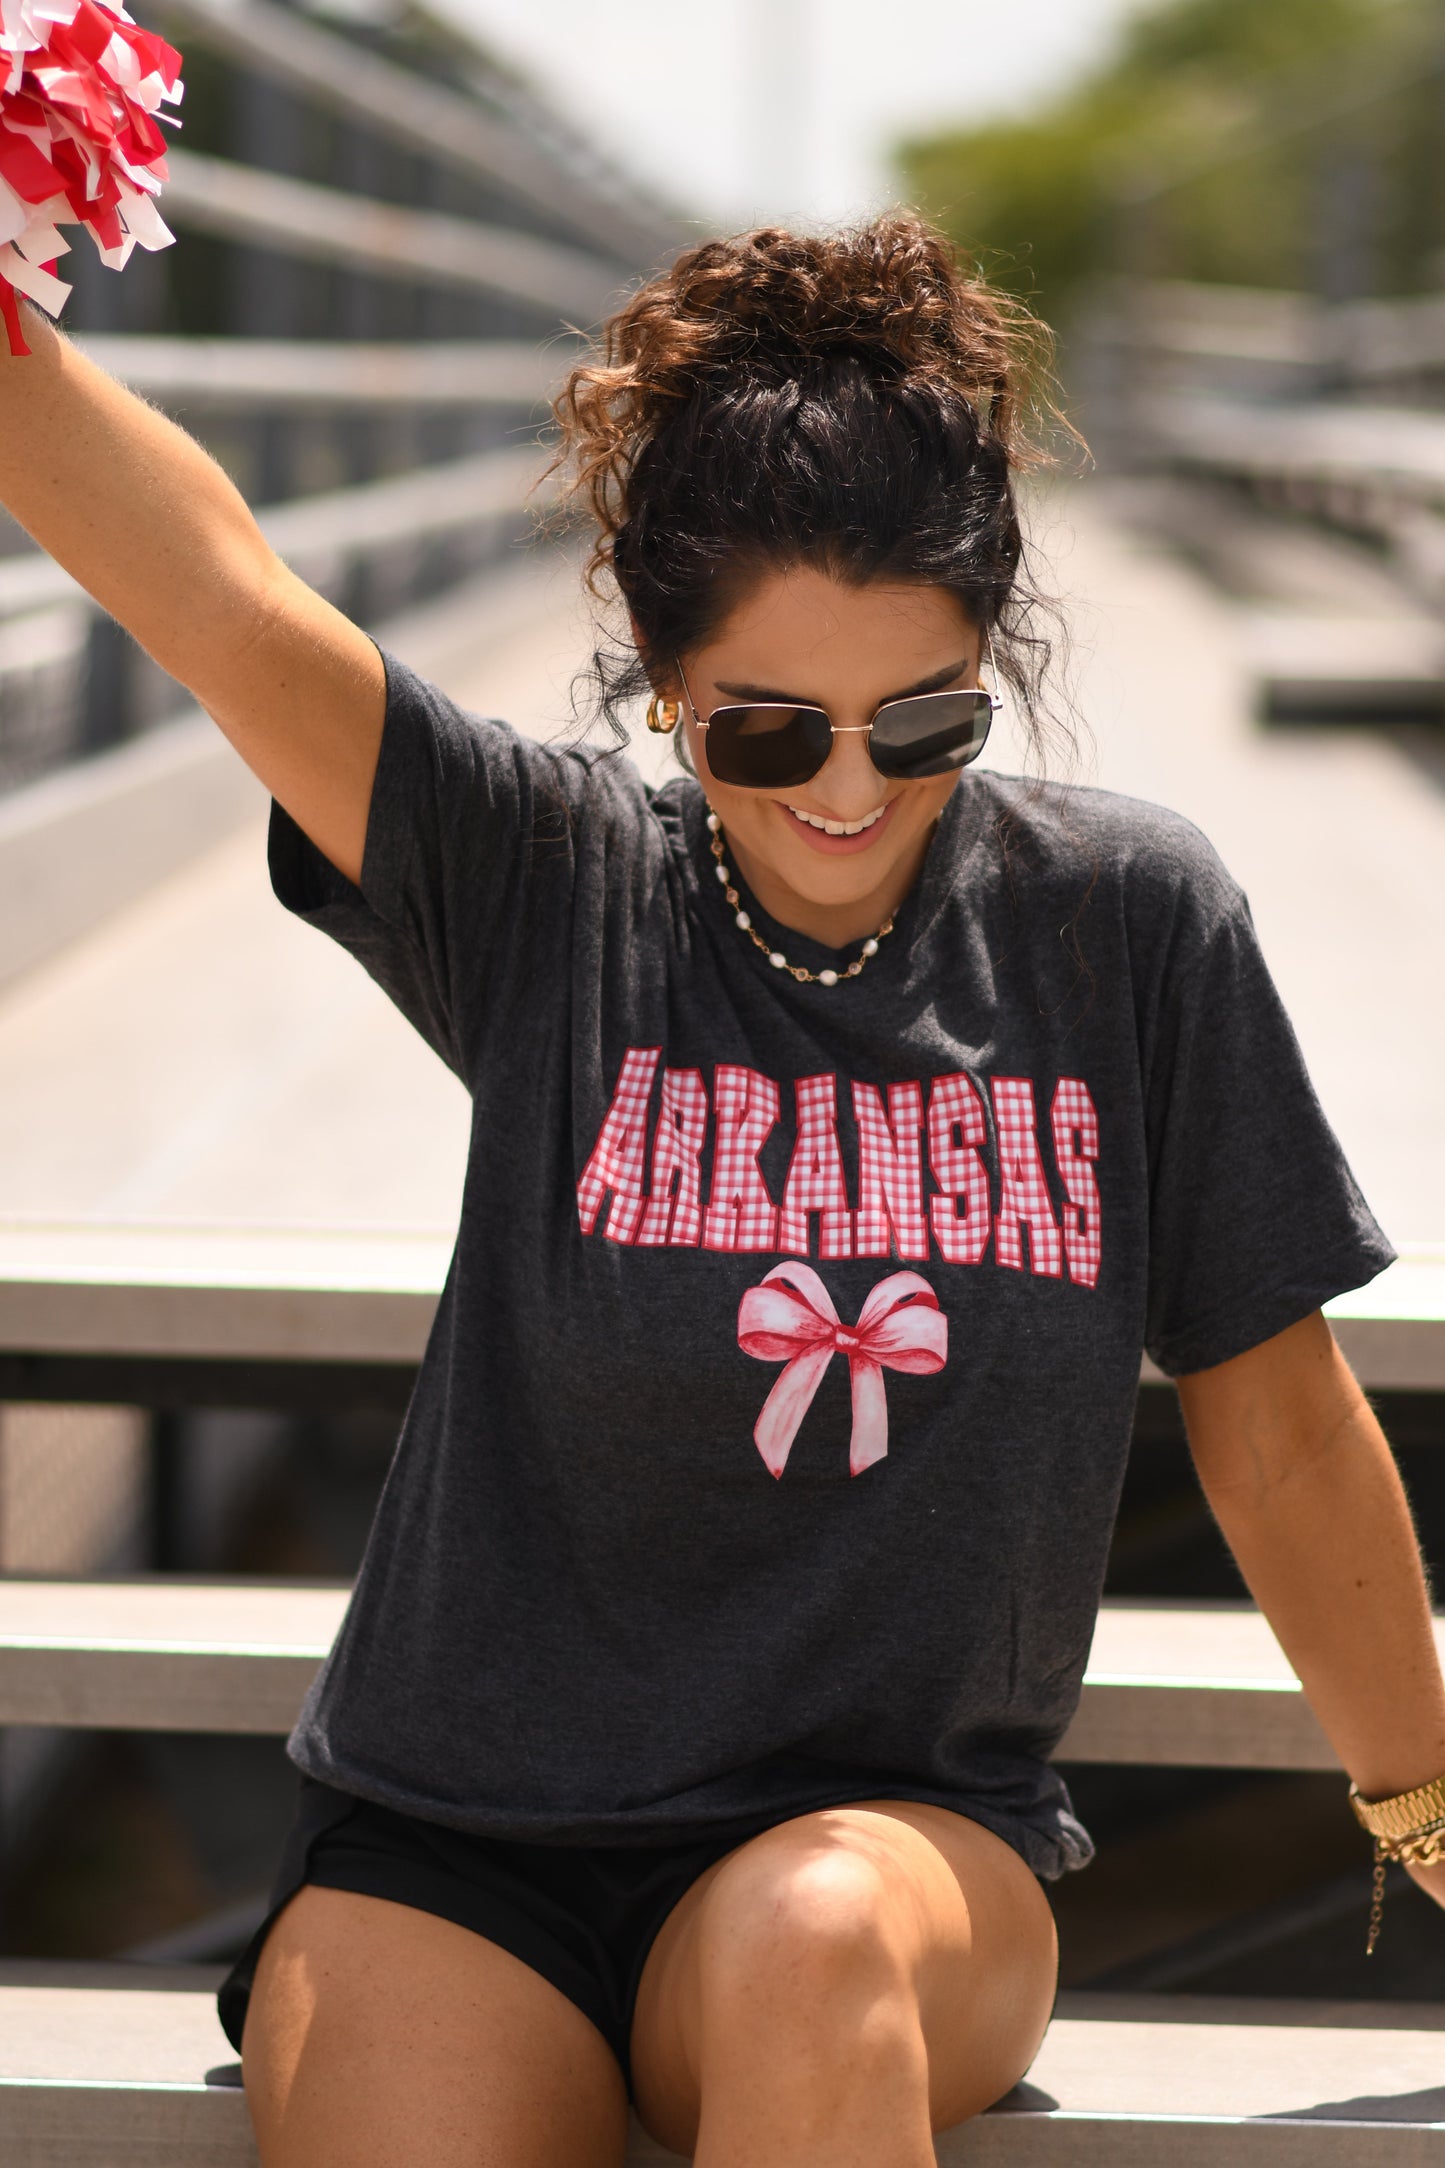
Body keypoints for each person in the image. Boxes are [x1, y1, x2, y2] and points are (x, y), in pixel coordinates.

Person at [3, 213, 1443, 2168]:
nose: (847, 785)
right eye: (770, 727)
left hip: (894, 1861)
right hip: (462, 1846)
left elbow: (1275, 1423)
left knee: (809, 1937)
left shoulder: (1124, 926)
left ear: (990, 664)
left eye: (923, 720)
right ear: (666, 682)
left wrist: (1427, 1791)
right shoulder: (548, 884)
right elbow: (226, 600)